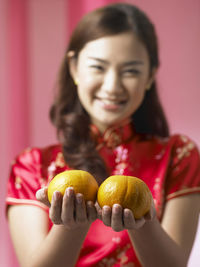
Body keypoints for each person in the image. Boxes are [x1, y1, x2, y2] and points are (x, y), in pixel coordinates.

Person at [6, 3, 200, 267]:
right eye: (98, 67)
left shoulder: (179, 155)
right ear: (74, 68)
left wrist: (144, 225)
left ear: (151, 75)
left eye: (130, 71)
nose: (112, 86)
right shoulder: (31, 166)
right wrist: (71, 227)